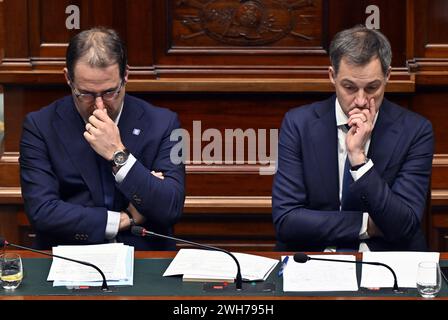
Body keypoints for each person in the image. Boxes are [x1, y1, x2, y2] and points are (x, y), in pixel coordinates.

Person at [19, 27, 185, 250]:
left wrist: (119, 154)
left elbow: (169, 207)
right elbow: (43, 212)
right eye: (86, 93)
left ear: (125, 75)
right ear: (68, 78)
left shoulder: (164, 123)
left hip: (145, 260)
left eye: (109, 92)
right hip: (71, 258)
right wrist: (124, 219)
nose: (99, 104)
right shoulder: (40, 126)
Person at [272, 25, 434, 252]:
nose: (360, 100)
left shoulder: (415, 131)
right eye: (349, 87)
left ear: (387, 76)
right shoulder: (298, 124)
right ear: (332, 76)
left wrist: (359, 161)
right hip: (315, 262)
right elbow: (287, 220)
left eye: (372, 88)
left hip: (387, 265)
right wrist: (365, 224)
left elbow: (403, 225)